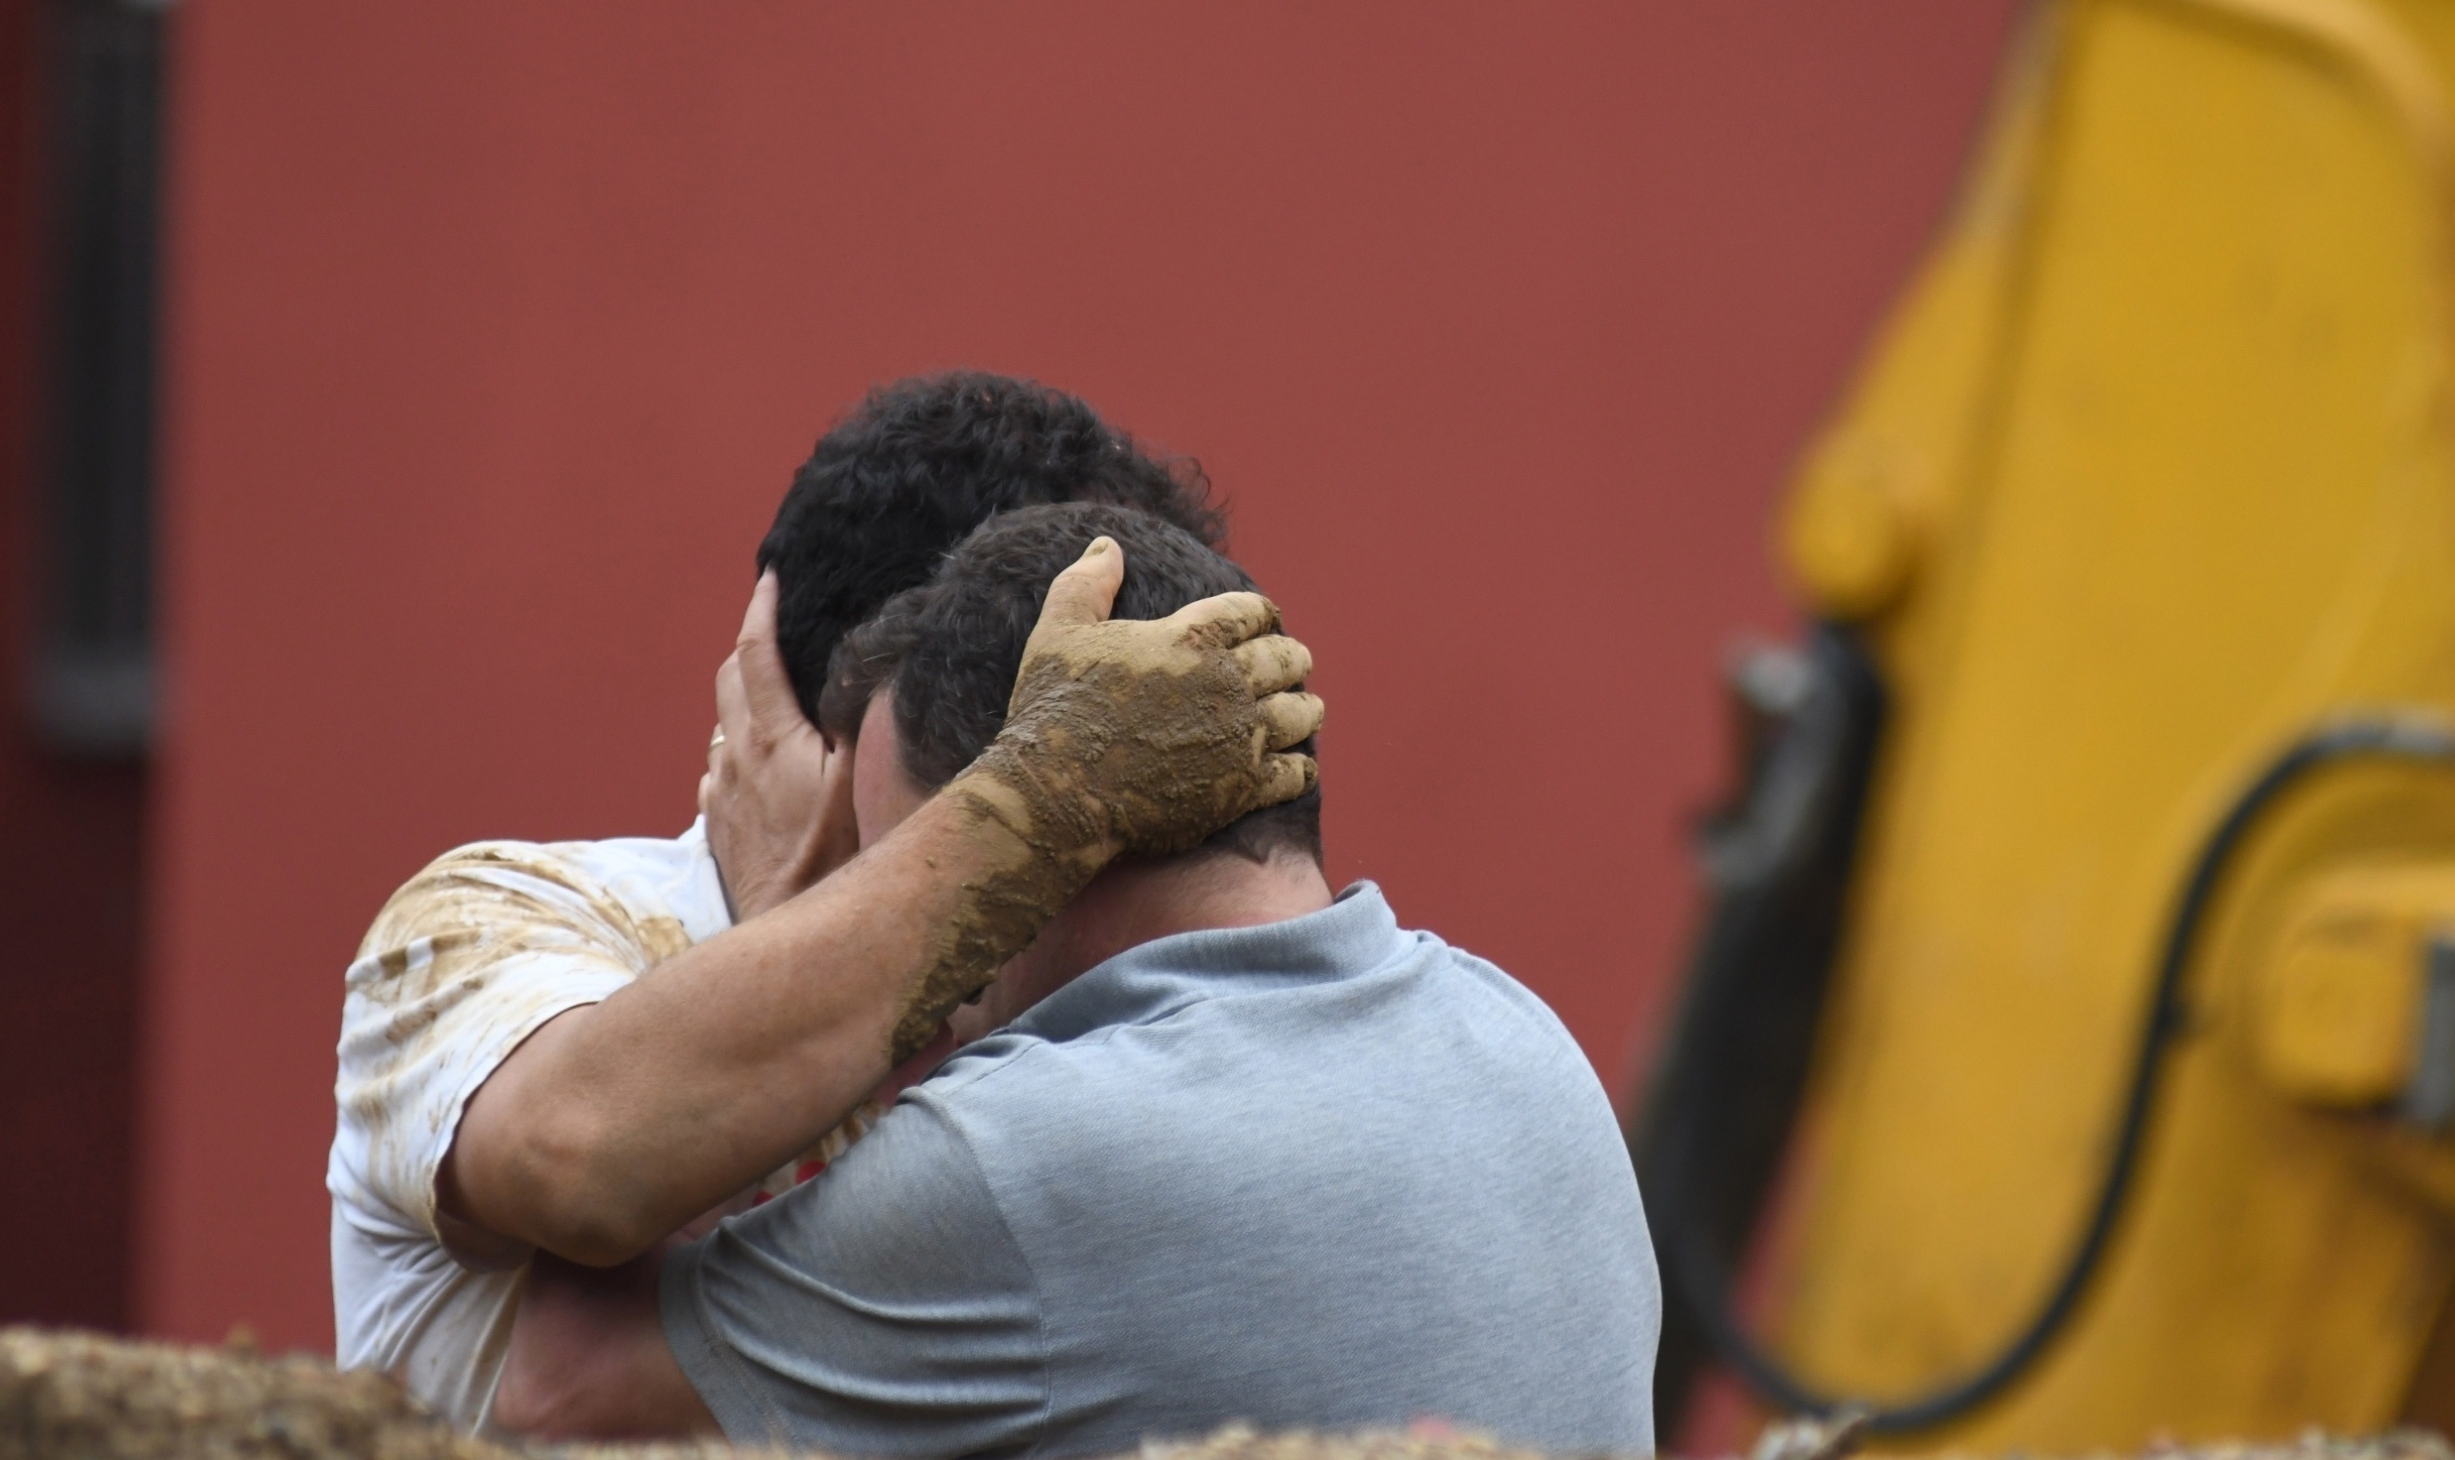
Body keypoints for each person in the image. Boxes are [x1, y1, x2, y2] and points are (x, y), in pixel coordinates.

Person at [494, 501, 1661, 1460]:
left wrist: (786, 920)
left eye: (898, 860)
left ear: (1035, 830)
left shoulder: (1019, 1162)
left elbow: (559, 1385)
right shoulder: (1523, 1039)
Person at [328, 373, 1317, 1429]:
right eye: (1103, 709)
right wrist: (791, 914)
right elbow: (578, 1166)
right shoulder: (504, 922)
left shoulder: (1101, 979)